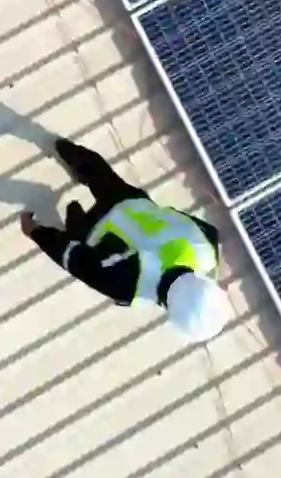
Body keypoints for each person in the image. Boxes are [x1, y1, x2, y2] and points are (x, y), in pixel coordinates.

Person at [19, 135, 231, 343]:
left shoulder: (207, 248)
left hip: (130, 202)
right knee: (74, 220)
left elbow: (194, 226)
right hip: (94, 230)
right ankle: (73, 213)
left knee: (97, 171)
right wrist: (36, 232)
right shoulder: (130, 289)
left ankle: (64, 148)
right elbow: (74, 259)